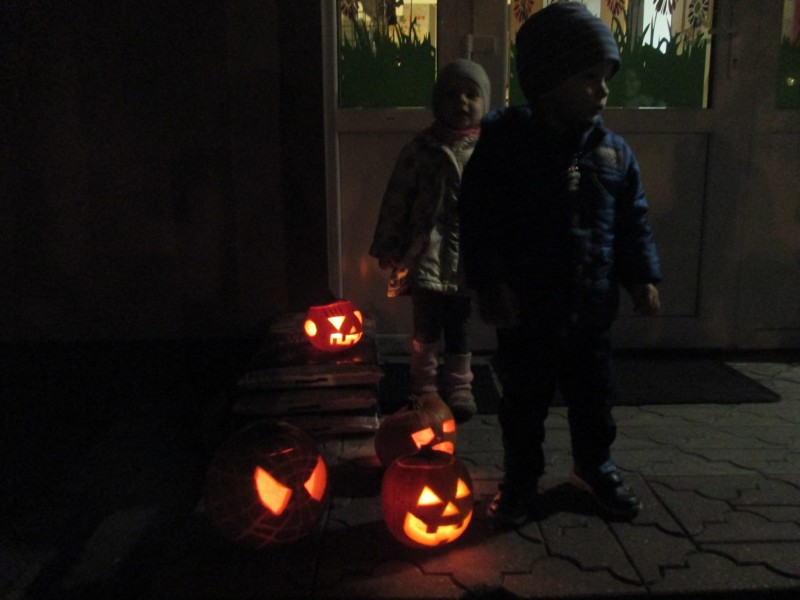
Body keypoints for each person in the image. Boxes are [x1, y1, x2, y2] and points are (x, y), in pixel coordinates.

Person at [458, 3, 662, 526]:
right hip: (528, 310)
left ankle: (594, 466)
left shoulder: (613, 153)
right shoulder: (507, 147)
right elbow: (479, 217)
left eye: (606, 78)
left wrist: (641, 276)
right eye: (589, 78)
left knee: (595, 398)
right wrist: (490, 282)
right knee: (524, 402)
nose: (602, 90)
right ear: (548, 81)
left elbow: (631, 219)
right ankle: (522, 477)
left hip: (591, 308)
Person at [370, 58, 491, 423]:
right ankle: (423, 385)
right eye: (451, 95)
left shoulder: (487, 150)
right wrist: (390, 244)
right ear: (437, 103)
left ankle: (459, 385)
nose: (462, 102)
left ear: (485, 102)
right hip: (425, 251)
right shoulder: (420, 149)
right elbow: (397, 198)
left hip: (467, 253)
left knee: (460, 323)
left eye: (471, 94)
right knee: (426, 323)